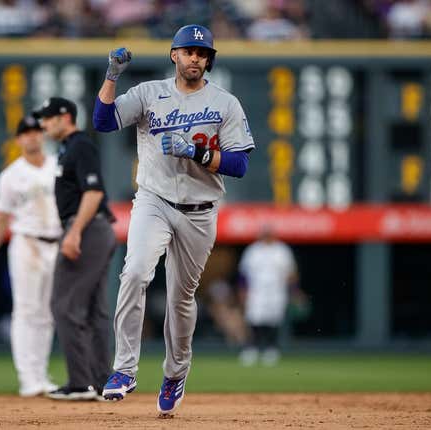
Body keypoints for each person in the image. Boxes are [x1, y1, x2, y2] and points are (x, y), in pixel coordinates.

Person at [92, 24, 255, 415]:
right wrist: (111, 77)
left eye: (201, 53)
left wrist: (197, 153)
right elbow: (103, 121)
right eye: (188, 51)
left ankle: (175, 373)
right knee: (134, 273)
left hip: (200, 211)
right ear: (174, 55)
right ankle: (124, 369)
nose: (195, 58)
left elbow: (240, 163)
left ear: (208, 60)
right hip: (154, 200)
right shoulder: (150, 93)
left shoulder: (225, 103)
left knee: (182, 299)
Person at [34, 97, 117, 401]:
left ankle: (81, 383)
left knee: (64, 305)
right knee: (95, 310)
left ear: (65, 117)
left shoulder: (80, 145)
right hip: (96, 228)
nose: (43, 125)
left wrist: (74, 233)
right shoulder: (69, 148)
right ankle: (101, 382)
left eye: (48, 118)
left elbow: (93, 192)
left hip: (88, 227)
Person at [0, 115, 61, 397]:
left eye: (36, 131)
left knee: (48, 313)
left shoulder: (58, 166)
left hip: (57, 243)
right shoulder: (11, 175)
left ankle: (40, 374)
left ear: (43, 135)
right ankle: (28, 379)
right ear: (18, 139)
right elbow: (1, 219)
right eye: (26, 132)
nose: (32, 136)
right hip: (26, 242)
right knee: (26, 311)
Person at [237, 226, 300, 367]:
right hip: (257, 290)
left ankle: (271, 350)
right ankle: (251, 349)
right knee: (254, 319)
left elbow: (291, 273)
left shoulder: (282, 250)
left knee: (274, 320)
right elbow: (243, 275)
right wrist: (243, 292)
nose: (266, 236)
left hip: (277, 291)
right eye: (265, 234)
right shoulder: (253, 250)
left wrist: (294, 291)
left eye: (269, 234)